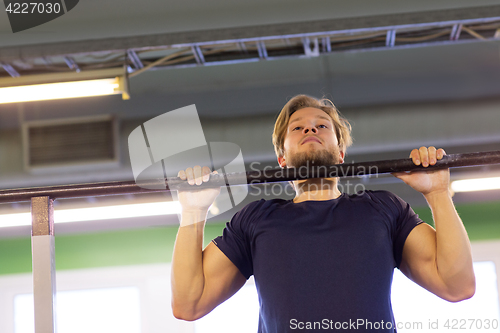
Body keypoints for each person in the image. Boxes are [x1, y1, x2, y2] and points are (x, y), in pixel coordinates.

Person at [170, 95, 475, 332]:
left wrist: (437, 194)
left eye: (321, 125)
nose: (310, 128)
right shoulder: (255, 220)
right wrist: (193, 212)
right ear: (282, 159)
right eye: (298, 127)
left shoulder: (383, 209)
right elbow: (188, 303)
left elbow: (457, 285)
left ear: (340, 153)